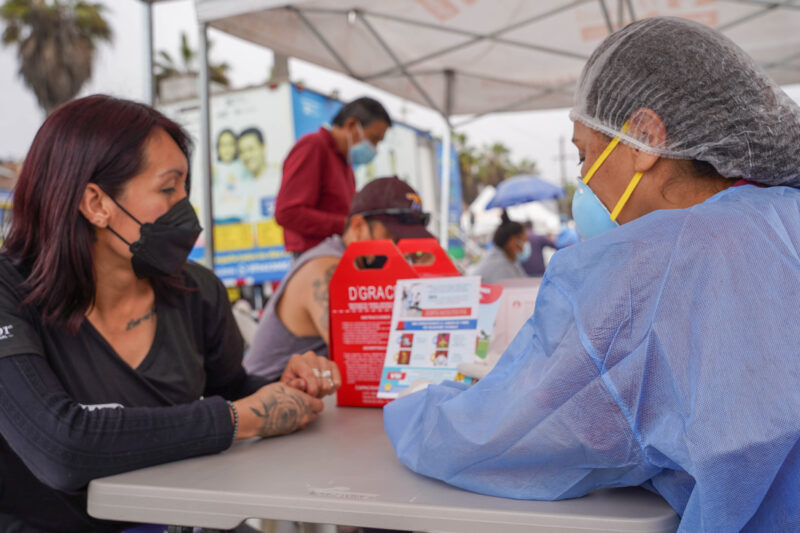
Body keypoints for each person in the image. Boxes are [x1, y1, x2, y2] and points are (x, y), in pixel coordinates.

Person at [384, 17, 800, 532]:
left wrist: (409, 410)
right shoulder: (783, 220)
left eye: (585, 153)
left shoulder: (664, 263)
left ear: (645, 137)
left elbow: (511, 435)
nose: (581, 176)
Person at [0, 95, 341, 533]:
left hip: (173, 521)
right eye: (167, 189)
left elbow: (232, 389)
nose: (186, 211)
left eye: (185, 190)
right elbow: (61, 448)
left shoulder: (195, 291)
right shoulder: (10, 292)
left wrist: (285, 385)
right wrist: (241, 418)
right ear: (96, 203)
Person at [245, 177, 433, 381]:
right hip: (269, 395)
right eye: (395, 237)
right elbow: (370, 358)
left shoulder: (362, 268)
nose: (403, 249)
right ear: (358, 226)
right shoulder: (327, 269)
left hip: (316, 396)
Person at [275, 97, 391, 256]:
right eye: (373, 139)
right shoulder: (313, 147)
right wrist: (346, 225)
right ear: (351, 125)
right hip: (315, 258)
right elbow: (287, 212)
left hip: (338, 255)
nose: (375, 148)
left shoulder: (345, 163)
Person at [466, 211, 529, 284]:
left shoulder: (509, 261)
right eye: (524, 241)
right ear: (512, 241)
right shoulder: (499, 264)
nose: (525, 245)